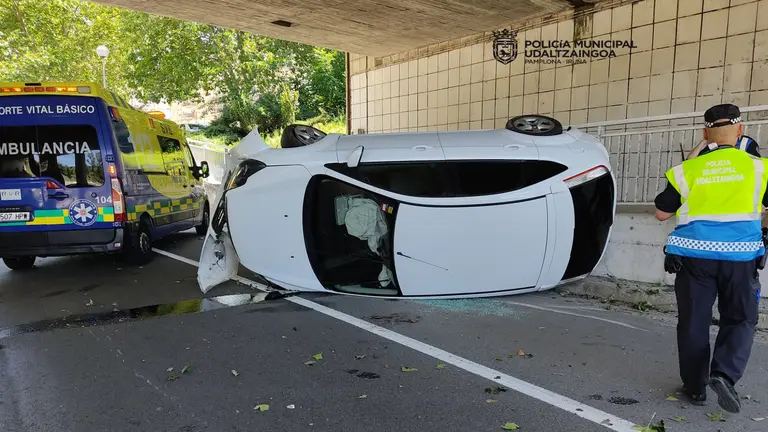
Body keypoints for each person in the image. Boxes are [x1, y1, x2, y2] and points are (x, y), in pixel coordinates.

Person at [653, 104, 768, 414]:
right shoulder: (760, 168)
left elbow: (662, 212)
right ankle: (724, 375)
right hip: (740, 258)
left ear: (706, 133)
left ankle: (695, 387)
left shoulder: (688, 170)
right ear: (741, 131)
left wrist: (694, 156)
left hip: (693, 259)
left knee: (694, 321)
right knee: (740, 318)